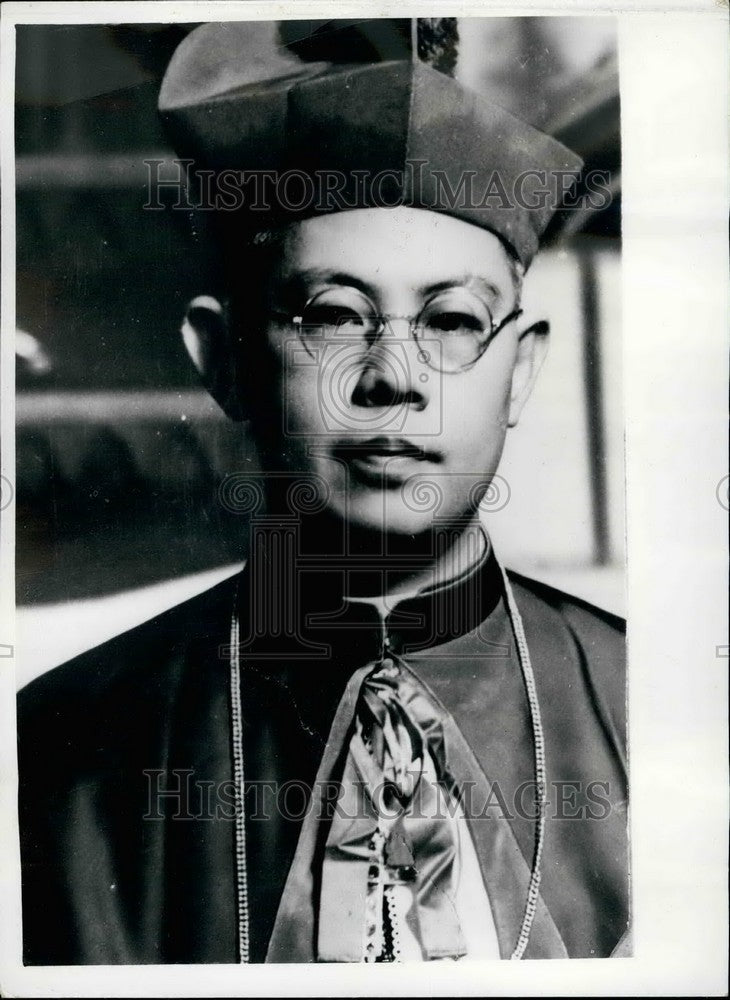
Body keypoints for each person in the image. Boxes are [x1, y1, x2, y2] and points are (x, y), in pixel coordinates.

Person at [17, 20, 629, 964]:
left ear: (521, 372)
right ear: (224, 360)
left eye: (453, 320)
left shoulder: (651, 709)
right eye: (334, 314)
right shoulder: (60, 754)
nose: (394, 376)